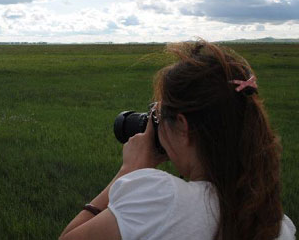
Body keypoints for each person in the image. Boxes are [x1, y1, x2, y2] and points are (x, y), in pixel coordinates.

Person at [60, 40, 296, 240]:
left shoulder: (161, 198)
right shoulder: (277, 224)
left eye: (158, 115)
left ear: (183, 127)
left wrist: (129, 171)